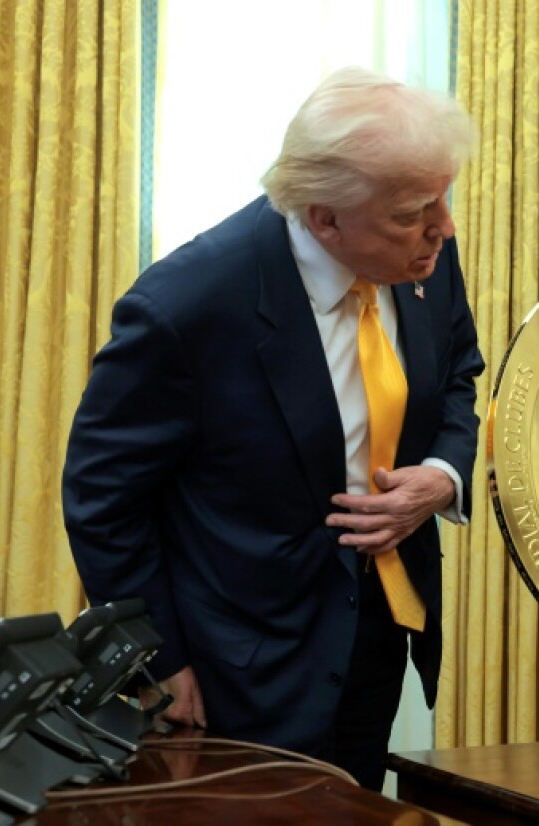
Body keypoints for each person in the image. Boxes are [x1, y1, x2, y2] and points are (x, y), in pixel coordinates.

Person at [61, 68, 484, 790]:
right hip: (240, 662)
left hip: (380, 631)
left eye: (442, 198)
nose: (444, 225)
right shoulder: (187, 304)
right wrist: (156, 654)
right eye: (416, 210)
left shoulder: (424, 259)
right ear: (326, 218)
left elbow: (457, 378)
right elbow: (102, 496)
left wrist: (442, 479)